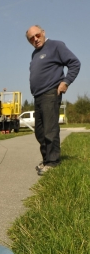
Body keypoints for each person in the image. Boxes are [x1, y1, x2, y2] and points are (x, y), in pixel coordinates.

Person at [26, 25, 80, 175]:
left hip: (50, 93)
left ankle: (53, 162)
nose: (35, 39)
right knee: (39, 131)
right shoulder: (34, 54)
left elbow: (75, 63)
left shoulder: (56, 45)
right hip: (38, 96)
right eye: (31, 38)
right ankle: (46, 160)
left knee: (50, 130)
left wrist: (66, 82)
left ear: (43, 33)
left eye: (37, 35)